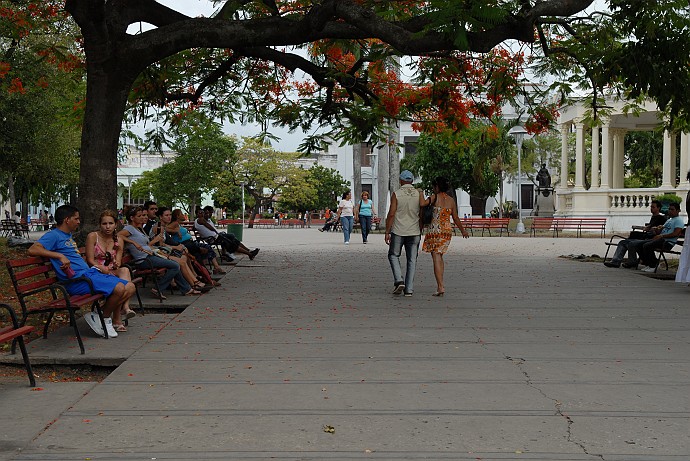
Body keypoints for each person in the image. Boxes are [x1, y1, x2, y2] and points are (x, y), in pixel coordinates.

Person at [27, 204, 136, 338]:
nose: (79, 221)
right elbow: (33, 249)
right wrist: (60, 256)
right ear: (67, 220)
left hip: (88, 275)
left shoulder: (67, 235)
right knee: (119, 288)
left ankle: (100, 315)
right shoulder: (54, 235)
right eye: (76, 218)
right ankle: (105, 317)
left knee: (130, 287)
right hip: (77, 280)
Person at [119, 206, 200, 298]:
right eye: (139, 216)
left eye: (143, 215)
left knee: (174, 264)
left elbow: (148, 244)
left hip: (150, 255)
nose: (142, 217)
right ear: (132, 218)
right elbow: (118, 235)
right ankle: (158, 289)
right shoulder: (129, 229)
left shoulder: (137, 229)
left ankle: (186, 289)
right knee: (175, 265)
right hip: (143, 259)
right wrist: (133, 242)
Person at [85, 209, 136, 332]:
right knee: (119, 282)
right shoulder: (93, 236)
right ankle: (118, 317)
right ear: (100, 225)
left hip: (110, 270)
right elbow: (90, 260)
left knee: (124, 271)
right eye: (104, 224)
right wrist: (101, 267)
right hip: (96, 271)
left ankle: (124, 307)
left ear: (116, 224)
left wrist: (116, 263)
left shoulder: (118, 239)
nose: (107, 227)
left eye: (110, 223)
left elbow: (118, 262)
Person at [421, 176, 469, 296]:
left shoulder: (434, 197)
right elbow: (456, 218)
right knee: (440, 256)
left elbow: (422, 203)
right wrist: (463, 230)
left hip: (435, 231)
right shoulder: (451, 200)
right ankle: (440, 284)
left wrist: (420, 192)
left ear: (437, 187)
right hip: (446, 231)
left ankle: (440, 286)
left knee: (436, 257)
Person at [385, 170, 426, 297]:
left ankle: (398, 279)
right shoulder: (419, 194)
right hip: (414, 231)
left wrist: (387, 231)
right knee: (412, 259)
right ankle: (409, 289)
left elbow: (392, 213)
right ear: (412, 181)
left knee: (393, 255)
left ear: (401, 181)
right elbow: (422, 212)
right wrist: (421, 227)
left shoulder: (396, 194)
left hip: (398, 230)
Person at [604, 200, 668, 268]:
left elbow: (660, 230)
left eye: (653, 207)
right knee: (622, 242)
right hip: (645, 237)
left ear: (658, 208)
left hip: (649, 239)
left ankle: (632, 262)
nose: (651, 208)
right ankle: (616, 261)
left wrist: (652, 229)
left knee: (631, 242)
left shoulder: (661, 218)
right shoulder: (653, 217)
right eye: (651, 207)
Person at [627, 202, 684, 272]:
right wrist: (657, 229)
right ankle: (648, 263)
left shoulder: (679, 221)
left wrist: (661, 236)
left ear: (678, 211)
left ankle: (653, 265)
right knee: (638, 244)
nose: (670, 211)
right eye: (669, 209)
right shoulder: (669, 220)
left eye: (672, 209)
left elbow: (676, 233)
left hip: (667, 242)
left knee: (647, 245)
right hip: (660, 239)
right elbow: (660, 231)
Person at [167, 208, 226, 275]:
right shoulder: (175, 223)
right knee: (200, 252)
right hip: (185, 244)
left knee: (207, 248)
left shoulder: (178, 224)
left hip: (190, 243)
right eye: (181, 214)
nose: (183, 215)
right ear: (177, 216)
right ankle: (205, 272)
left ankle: (214, 268)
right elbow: (165, 228)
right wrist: (176, 231)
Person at [195, 206, 259, 260]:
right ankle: (249, 253)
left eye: (203, 213)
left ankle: (249, 252)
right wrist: (215, 231)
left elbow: (199, 227)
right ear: (197, 214)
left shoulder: (204, 220)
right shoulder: (200, 220)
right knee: (232, 242)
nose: (203, 214)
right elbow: (209, 227)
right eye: (201, 213)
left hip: (216, 237)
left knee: (233, 239)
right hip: (213, 238)